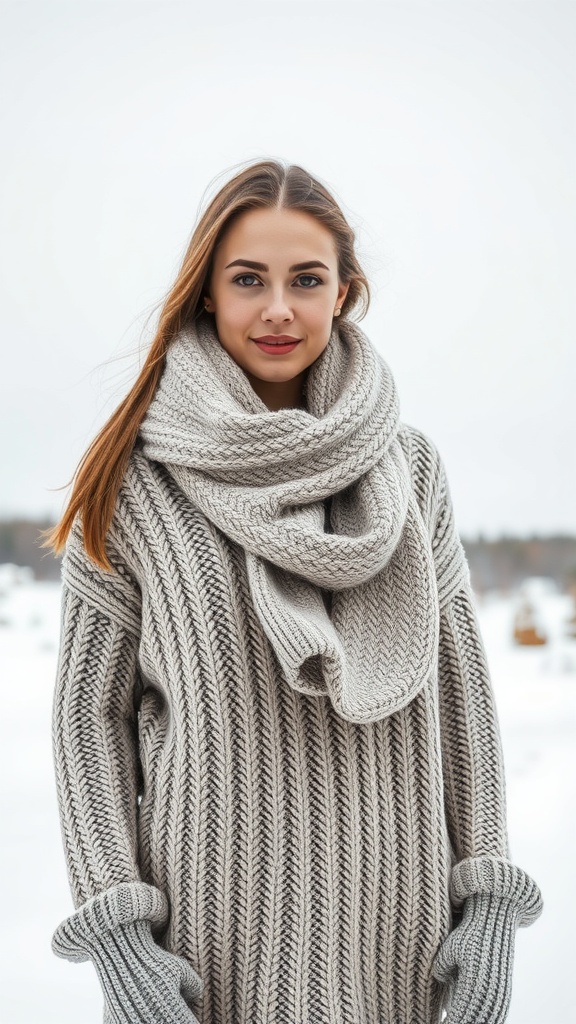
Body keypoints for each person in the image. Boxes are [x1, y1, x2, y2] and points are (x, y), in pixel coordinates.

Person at [44, 158, 543, 1024]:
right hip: (210, 954)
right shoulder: (135, 481)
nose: (278, 307)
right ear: (207, 293)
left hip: (404, 940)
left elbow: (462, 690)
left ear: (344, 292)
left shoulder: (412, 470)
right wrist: (123, 940)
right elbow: (90, 723)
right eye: (248, 280)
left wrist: (490, 900)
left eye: (305, 279)